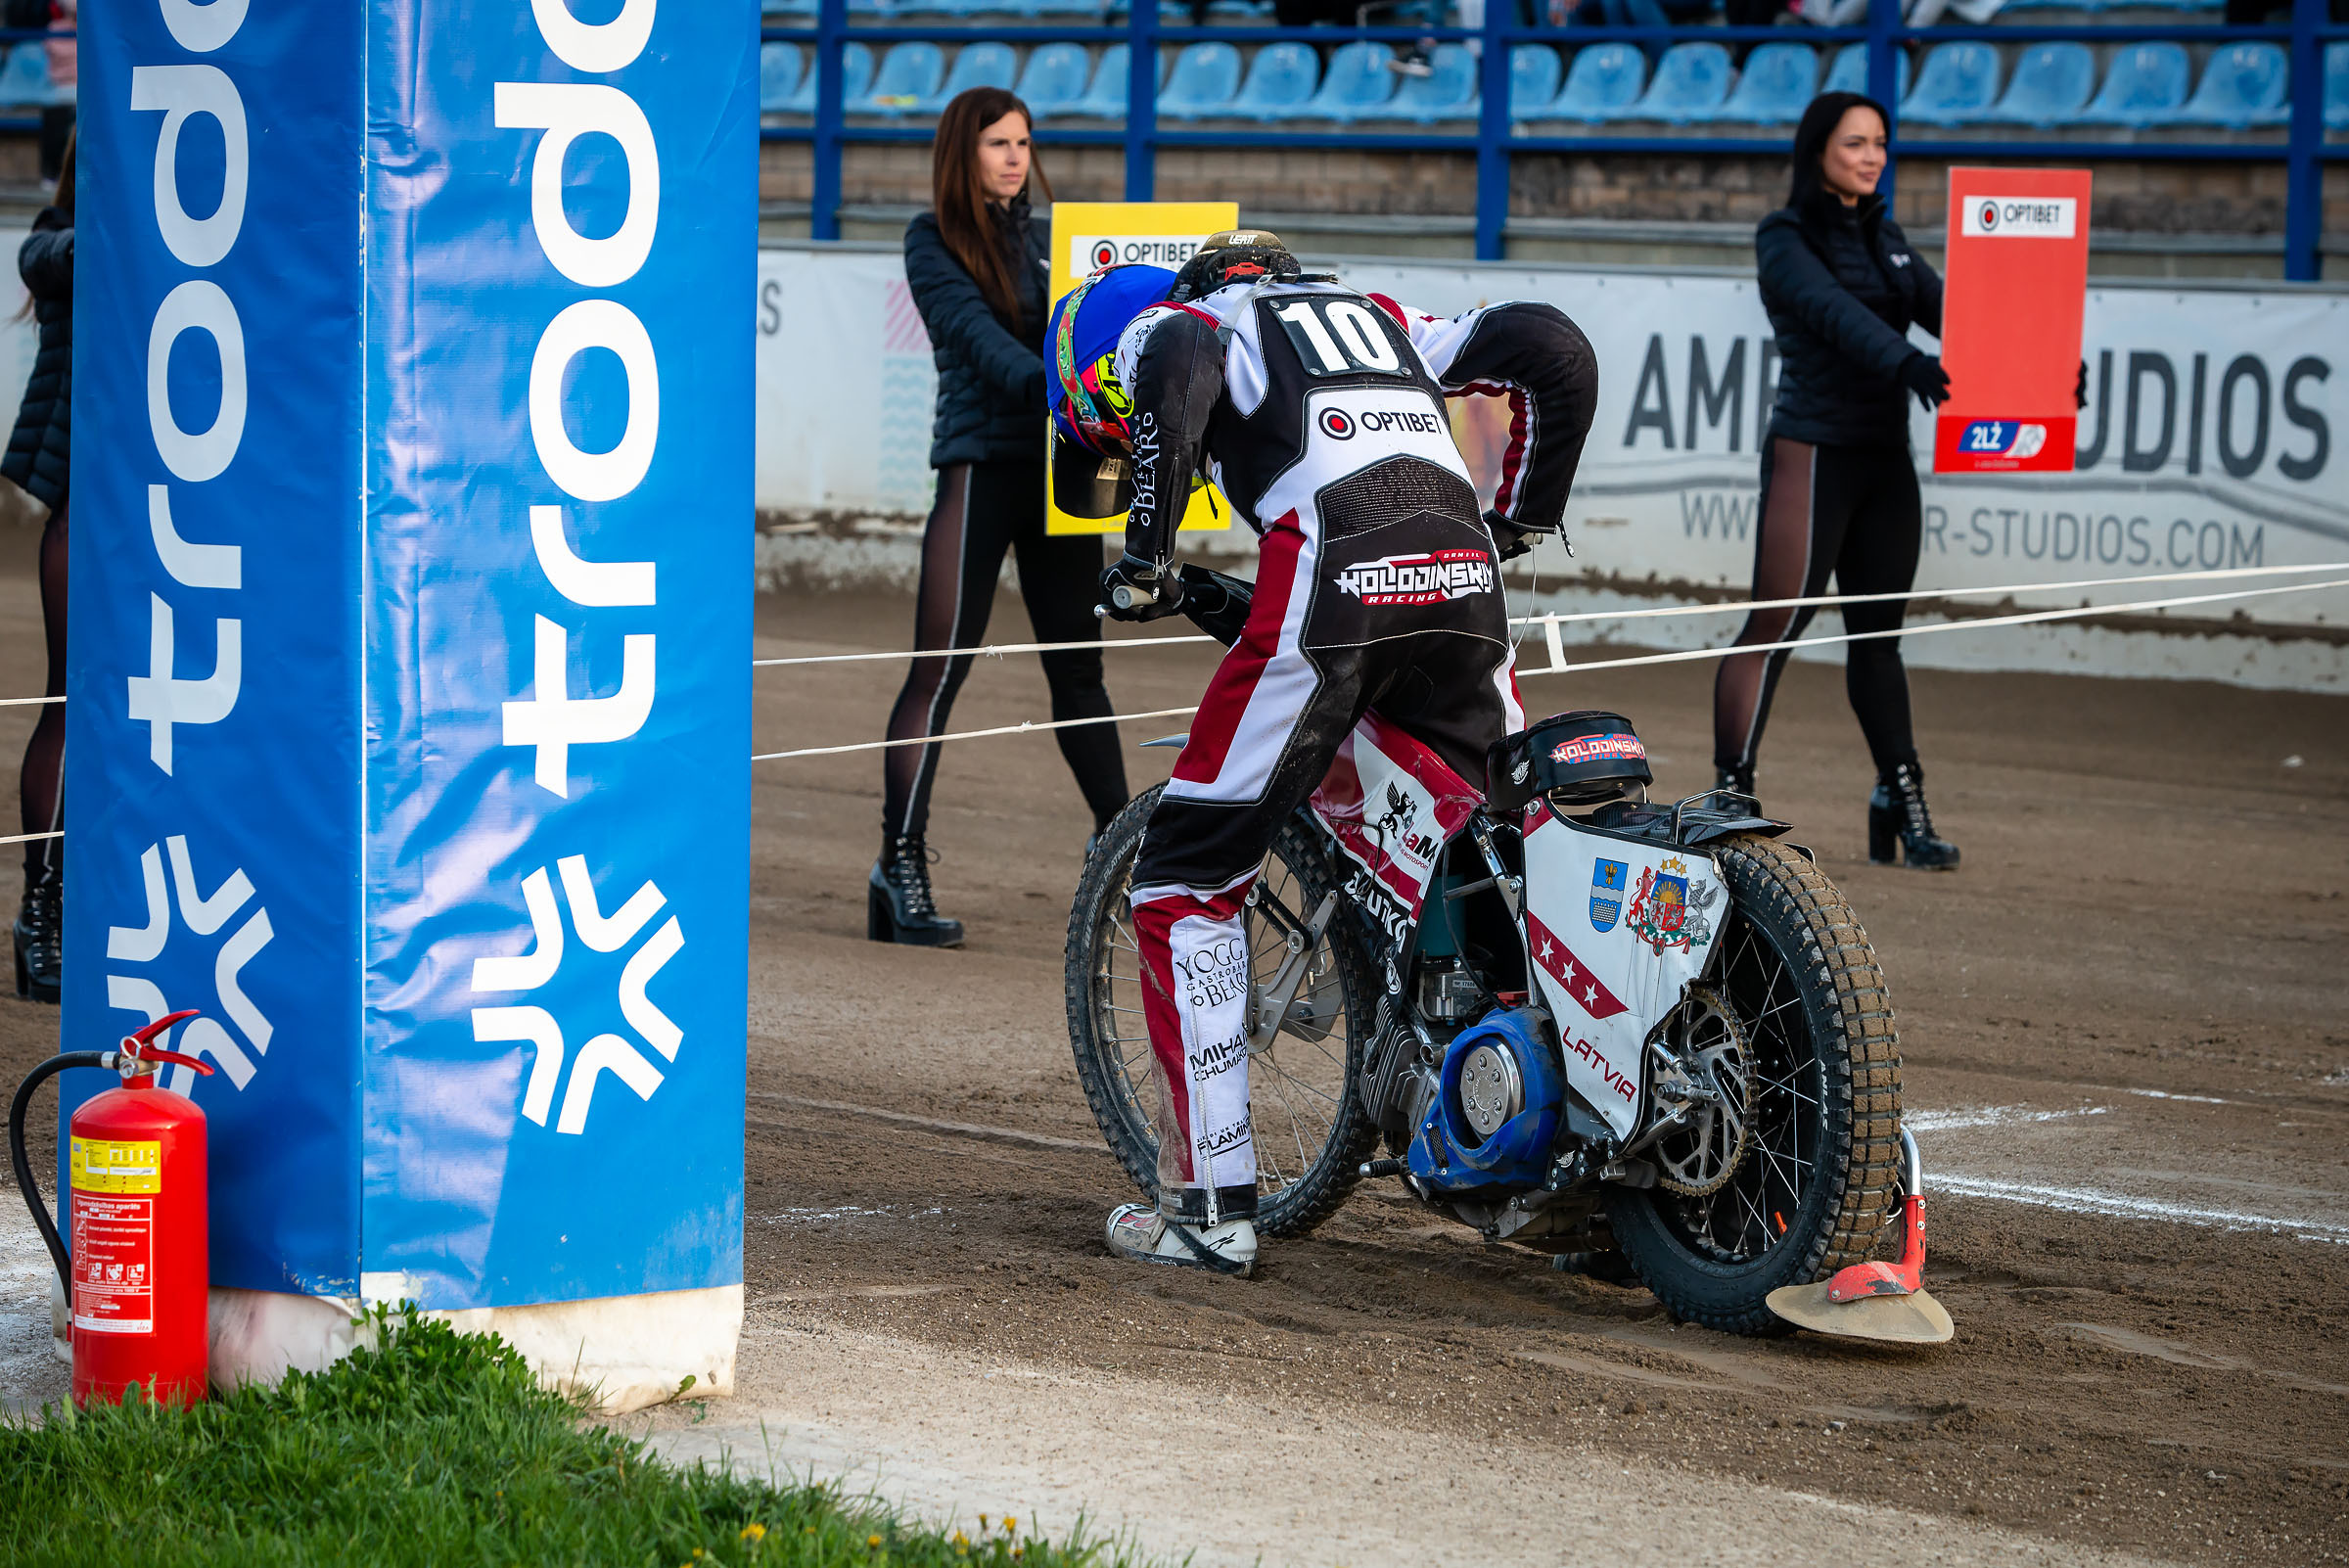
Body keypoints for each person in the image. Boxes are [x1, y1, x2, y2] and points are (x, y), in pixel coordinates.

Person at [1062, 232, 1597, 1274]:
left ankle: (1208, 1208)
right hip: (1465, 575)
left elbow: (1175, 364)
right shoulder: (1379, 316)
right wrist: (1521, 518)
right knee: (1508, 847)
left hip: (1337, 578)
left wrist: (1144, 556)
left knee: (1179, 878)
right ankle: (1563, 1128)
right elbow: (1554, 347)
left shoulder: (1175, 323)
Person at [874, 87, 1129, 947]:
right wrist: (1061, 389)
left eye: (1024, 141)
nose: (1016, 156)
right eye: (997, 143)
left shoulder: (1059, 237)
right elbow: (975, 339)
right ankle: (897, 864)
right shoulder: (931, 238)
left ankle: (1124, 853)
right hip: (981, 468)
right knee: (939, 672)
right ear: (964, 151)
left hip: (1062, 474)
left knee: (1079, 677)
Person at [1711, 92, 1958, 870]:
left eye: (1880, 142)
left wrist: (2040, 371)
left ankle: (1901, 798)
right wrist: (1907, 360)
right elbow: (1833, 316)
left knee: (1878, 638)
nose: (1872, 154)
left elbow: (1952, 308)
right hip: (1812, 455)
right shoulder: (1784, 236)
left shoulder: (1883, 233)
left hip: (1885, 456)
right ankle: (1732, 796)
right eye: (1856, 142)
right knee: (1774, 629)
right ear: (1818, 149)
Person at [8, 127, 70, 1001]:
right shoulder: (65, 241)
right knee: (69, 698)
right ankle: (40, 915)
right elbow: (41, 253)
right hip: (92, 511)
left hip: (177, 511)